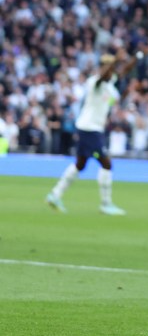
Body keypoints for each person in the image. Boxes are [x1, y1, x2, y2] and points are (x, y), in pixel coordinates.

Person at [46, 51, 140, 215]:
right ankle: (106, 203)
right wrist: (115, 61)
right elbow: (104, 75)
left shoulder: (110, 84)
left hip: (90, 128)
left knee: (80, 164)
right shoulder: (95, 81)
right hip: (90, 128)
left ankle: (55, 194)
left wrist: (137, 57)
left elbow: (123, 71)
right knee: (106, 164)